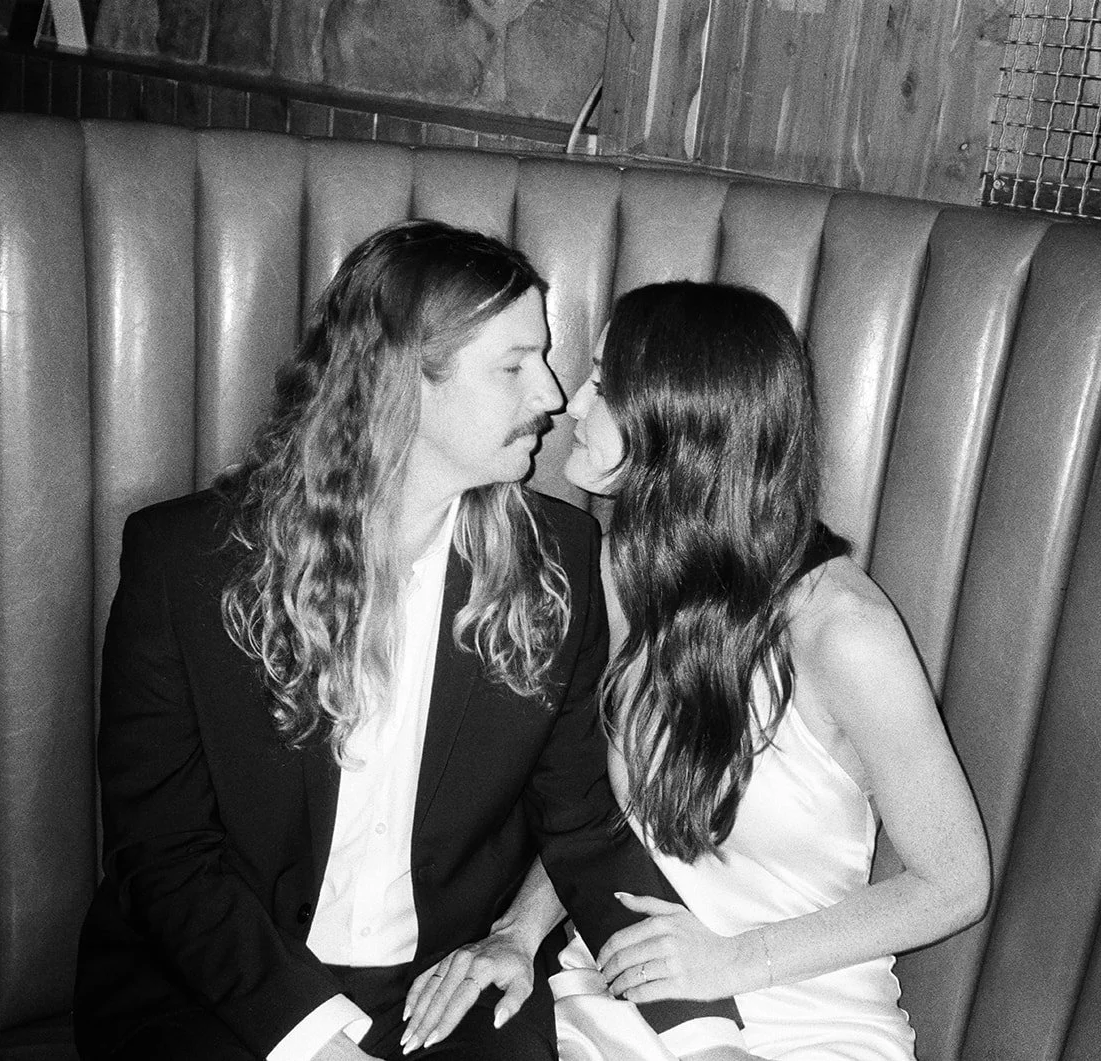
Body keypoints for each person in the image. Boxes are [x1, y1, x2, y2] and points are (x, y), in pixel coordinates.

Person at [72, 223, 750, 1061]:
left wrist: (703, 1032)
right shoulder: (189, 565)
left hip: (442, 989)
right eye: (514, 365)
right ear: (402, 382)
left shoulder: (561, 564)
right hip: (217, 983)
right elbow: (165, 854)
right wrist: (316, 1043)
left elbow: (584, 828)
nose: (551, 392)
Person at [400, 281, 989, 1060]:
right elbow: (591, 812)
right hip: (619, 999)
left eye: (606, 383)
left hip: (804, 1020)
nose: (573, 403)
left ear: (681, 421)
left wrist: (732, 960)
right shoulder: (618, 569)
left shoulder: (841, 630)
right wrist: (517, 932)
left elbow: (955, 882)